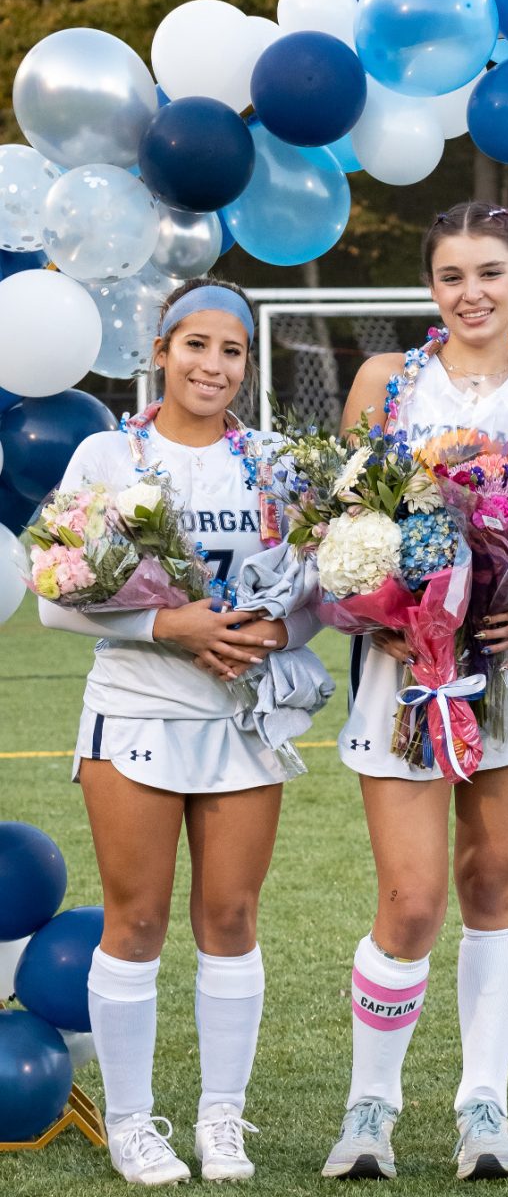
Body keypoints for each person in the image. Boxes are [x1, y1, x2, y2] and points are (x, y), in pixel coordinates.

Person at [322, 201, 508, 1182]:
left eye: (488, 273)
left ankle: (484, 1105)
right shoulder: (387, 385)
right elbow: (339, 533)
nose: (470, 293)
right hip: (400, 676)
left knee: (492, 883)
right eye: (450, 276)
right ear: (431, 288)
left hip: (502, 680)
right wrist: (383, 606)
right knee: (414, 896)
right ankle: (370, 1105)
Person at [40, 278, 316, 1185]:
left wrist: (271, 631)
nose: (214, 364)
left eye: (232, 350)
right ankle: (132, 1124)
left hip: (245, 715)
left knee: (231, 917)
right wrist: (170, 627)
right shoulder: (105, 454)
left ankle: (221, 1120)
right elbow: (57, 601)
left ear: (248, 361)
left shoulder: (273, 462)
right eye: (196, 344)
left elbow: (318, 593)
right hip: (136, 709)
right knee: (140, 918)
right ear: (161, 350)